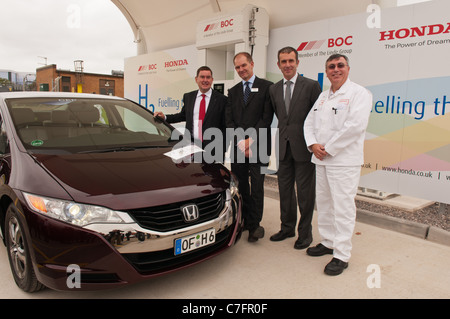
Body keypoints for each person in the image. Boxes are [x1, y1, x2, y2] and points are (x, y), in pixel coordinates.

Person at [303, 54, 372, 276]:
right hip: (321, 159)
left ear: (348, 69)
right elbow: (308, 123)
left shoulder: (359, 94)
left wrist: (328, 148)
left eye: (340, 65)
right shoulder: (323, 96)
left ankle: (342, 254)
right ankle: (328, 241)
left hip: (343, 162)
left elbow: (355, 126)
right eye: (331, 66)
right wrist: (313, 144)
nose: (335, 69)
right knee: (323, 203)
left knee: (342, 208)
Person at [269, 46, 322, 249]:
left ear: (297, 62)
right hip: (283, 148)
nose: (288, 65)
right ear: (279, 65)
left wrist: (314, 143)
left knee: (306, 193)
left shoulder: (310, 86)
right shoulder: (273, 89)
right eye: (284, 61)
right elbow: (281, 118)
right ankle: (287, 227)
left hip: (304, 148)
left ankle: (305, 233)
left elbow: (318, 118)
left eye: (291, 61)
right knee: (285, 191)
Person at [226, 52, 274, 242]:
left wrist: (250, 141)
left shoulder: (266, 87)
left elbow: (266, 118)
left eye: (244, 65)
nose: (241, 70)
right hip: (238, 147)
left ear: (252, 64)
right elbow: (229, 120)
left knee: (257, 186)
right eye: (237, 67)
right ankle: (244, 220)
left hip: (259, 145)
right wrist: (241, 141)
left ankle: (255, 225)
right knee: (241, 185)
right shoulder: (233, 91)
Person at [154, 66, 227, 160]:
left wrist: (222, 150)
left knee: (213, 175)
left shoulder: (222, 100)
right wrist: (165, 118)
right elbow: (183, 115)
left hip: (213, 150)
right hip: (192, 148)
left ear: (212, 80)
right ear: (196, 79)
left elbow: (226, 127)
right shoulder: (189, 97)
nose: (205, 80)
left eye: (208, 77)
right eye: (202, 77)